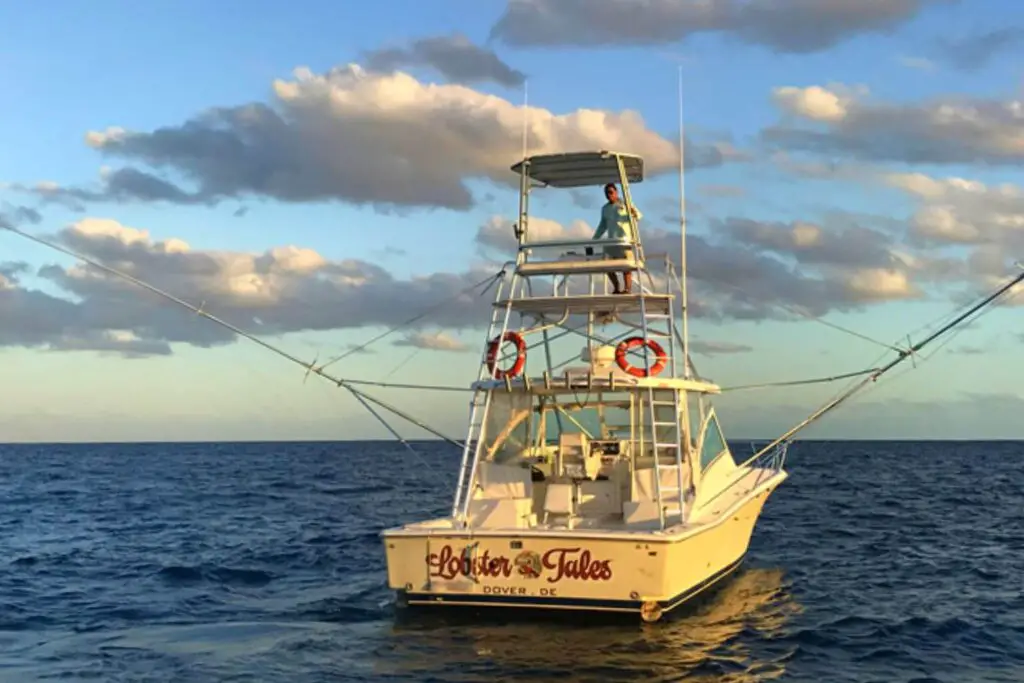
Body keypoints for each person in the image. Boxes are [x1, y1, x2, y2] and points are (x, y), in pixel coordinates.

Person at [592, 182, 641, 294]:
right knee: (606, 264)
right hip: (612, 241)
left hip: (624, 241)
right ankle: (616, 287)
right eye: (606, 193)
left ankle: (627, 289)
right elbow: (602, 225)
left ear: (616, 192)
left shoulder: (625, 204)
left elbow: (638, 216)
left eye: (610, 192)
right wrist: (594, 239)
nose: (609, 195)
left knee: (626, 266)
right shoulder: (605, 209)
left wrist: (633, 212)